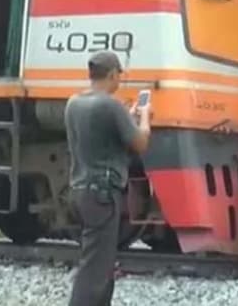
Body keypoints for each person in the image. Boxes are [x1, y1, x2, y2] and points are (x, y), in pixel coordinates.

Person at [65, 51, 152, 306]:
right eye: (119, 76)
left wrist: (127, 118)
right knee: (94, 268)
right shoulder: (110, 105)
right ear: (113, 74)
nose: (119, 81)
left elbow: (102, 137)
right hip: (103, 193)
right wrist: (145, 118)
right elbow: (140, 143)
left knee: (100, 263)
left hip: (81, 189)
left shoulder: (74, 103)